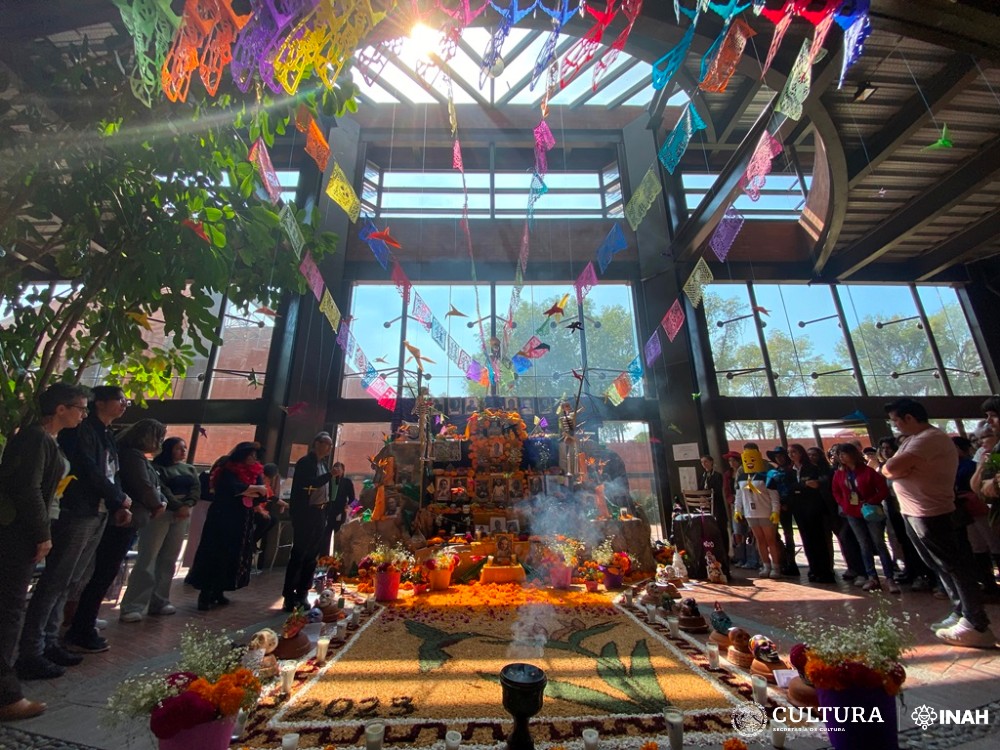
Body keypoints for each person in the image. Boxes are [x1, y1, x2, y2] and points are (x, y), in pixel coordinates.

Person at [19, 385, 131, 670]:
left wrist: (118, 502)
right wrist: (117, 498)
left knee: (71, 580)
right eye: (120, 400)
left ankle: (50, 641)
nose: (124, 405)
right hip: (78, 511)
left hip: (98, 511)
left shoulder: (106, 435)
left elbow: (113, 472)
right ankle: (32, 648)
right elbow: (88, 470)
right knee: (56, 579)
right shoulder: (77, 433)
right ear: (99, 403)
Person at [0, 383, 90, 720]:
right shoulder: (36, 438)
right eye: (79, 407)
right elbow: (26, 489)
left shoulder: (47, 440)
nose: (83, 413)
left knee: (9, 608)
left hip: (24, 531)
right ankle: (5, 696)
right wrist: (42, 533)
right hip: (16, 533)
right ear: (60, 408)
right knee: (9, 609)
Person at [882, 398, 995, 648]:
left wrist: (896, 469)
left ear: (910, 418)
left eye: (896, 421)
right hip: (914, 513)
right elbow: (893, 468)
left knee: (955, 565)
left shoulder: (929, 438)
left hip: (934, 513)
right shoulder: (911, 440)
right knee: (940, 566)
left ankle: (976, 623)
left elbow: (889, 468)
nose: (895, 426)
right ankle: (960, 612)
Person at [66, 420, 167, 645]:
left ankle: (85, 618)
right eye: (159, 437)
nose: (160, 443)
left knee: (102, 571)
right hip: (122, 520)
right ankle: (82, 623)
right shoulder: (132, 456)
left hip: (124, 519)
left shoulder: (131, 454)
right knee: (103, 572)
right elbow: (143, 484)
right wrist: (157, 504)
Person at [119, 436, 198, 621]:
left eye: (185, 448)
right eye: (179, 448)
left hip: (182, 515)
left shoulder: (189, 469)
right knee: (148, 558)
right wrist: (177, 505)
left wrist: (188, 504)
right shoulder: (155, 468)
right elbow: (160, 489)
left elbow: (196, 488)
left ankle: (160, 600)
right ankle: (133, 604)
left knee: (169, 559)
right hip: (160, 514)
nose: (183, 451)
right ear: (168, 449)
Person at [187, 442, 269, 610]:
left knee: (232, 555)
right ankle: (205, 593)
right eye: (251, 455)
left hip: (242, 520)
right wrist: (253, 489)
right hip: (222, 519)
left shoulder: (256, 472)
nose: (254, 458)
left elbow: (262, 495)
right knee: (215, 553)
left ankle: (220, 590)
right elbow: (230, 489)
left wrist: (248, 490)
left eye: (255, 455)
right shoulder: (227, 469)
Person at [831, 443, 899, 594]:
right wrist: (844, 504)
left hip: (871, 511)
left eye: (844, 453)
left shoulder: (868, 472)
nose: (841, 456)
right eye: (839, 454)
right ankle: (871, 577)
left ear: (853, 454)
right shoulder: (840, 473)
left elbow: (882, 489)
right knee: (864, 544)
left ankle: (889, 577)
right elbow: (835, 491)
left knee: (879, 543)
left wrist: (871, 500)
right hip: (853, 513)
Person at [283, 433, 334, 612]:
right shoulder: (306, 463)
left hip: (320, 513)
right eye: (325, 444)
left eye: (330, 444)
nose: (328, 447)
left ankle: (302, 592)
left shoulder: (322, 464)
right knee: (299, 554)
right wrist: (330, 476)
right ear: (316, 444)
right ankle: (289, 596)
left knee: (312, 556)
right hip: (306, 513)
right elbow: (309, 485)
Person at [787, 444, 835, 584]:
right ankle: (813, 569)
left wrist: (805, 486)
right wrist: (804, 485)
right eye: (789, 452)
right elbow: (790, 487)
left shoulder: (812, 468)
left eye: (794, 452)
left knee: (818, 540)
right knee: (807, 540)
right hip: (799, 508)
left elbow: (818, 484)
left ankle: (825, 571)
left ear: (801, 453)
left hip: (814, 507)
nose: (791, 455)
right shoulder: (790, 471)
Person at [733, 444, 783, 579]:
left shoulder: (767, 472)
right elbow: (738, 495)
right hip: (750, 512)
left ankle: (776, 566)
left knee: (770, 539)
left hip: (765, 510)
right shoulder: (742, 475)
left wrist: (775, 511)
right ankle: (765, 564)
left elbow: (774, 495)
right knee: (759, 540)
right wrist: (738, 510)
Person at [765, 446, 799, 576]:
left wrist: (787, 503)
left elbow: (794, 488)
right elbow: (769, 490)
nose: (779, 458)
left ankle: (792, 563)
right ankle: (783, 561)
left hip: (794, 505)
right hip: (777, 507)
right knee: (781, 534)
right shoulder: (773, 473)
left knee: (789, 534)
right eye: (776, 456)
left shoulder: (793, 471)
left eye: (781, 456)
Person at [724, 451, 758, 569]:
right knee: (737, 531)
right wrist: (730, 500)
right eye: (729, 461)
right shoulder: (728, 475)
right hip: (735, 503)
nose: (731, 463)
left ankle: (752, 559)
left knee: (749, 531)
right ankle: (740, 557)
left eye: (733, 460)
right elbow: (728, 490)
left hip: (748, 503)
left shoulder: (744, 473)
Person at [698, 455, 729, 561]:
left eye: (706, 462)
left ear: (711, 462)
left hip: (717, 506)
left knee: (721, 528)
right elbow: (701, 489)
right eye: (702, 462)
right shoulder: (703, 476)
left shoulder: (717, 475)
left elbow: (717, 491)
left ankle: (725, 553)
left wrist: (708, 497)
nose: (704, 464)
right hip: (706, 506)